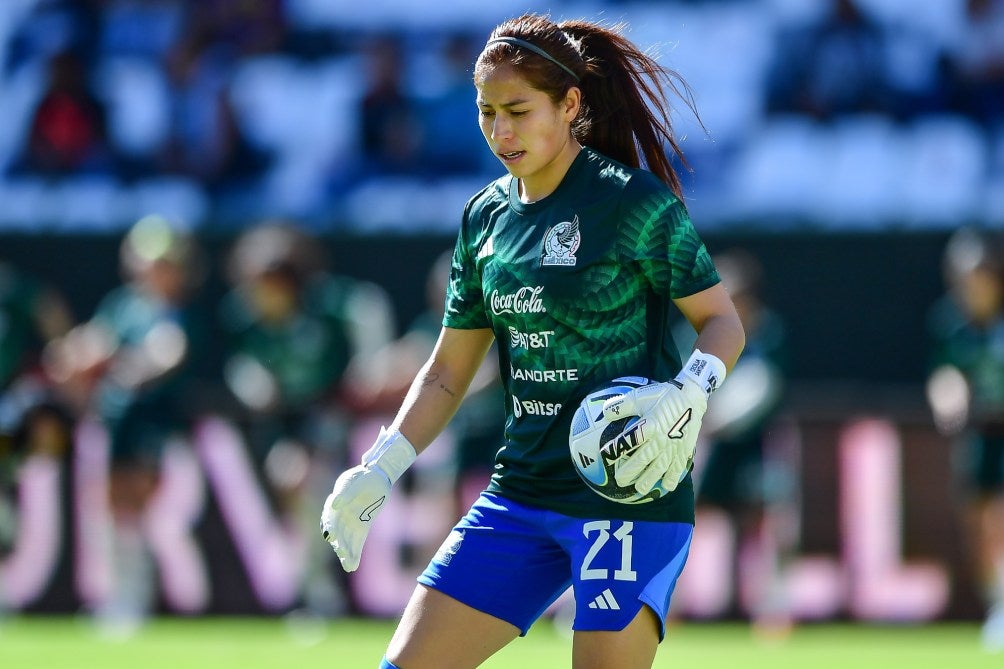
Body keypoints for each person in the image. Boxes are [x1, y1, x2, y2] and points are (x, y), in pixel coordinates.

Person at [320, 13, 745, 669]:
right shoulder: (484, 217)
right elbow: (446, 372)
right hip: (520, 494)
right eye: (487, 112)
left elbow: (723, 322)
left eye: (518, 110)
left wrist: (692, 389)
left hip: (627, 497)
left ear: (570, 103)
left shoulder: (633, 204)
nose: (501, 131)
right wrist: (380, 467)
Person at [44, 214, 208, 634]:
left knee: (141, 507)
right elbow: (90, 346)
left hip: (154, 424)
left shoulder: (176, 313)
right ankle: (122, 597)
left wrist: (128, 367)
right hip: (115, 422)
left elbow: (169, 354)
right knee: (112, 508)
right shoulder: (123, 305)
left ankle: (140, 597)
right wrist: (76, 357)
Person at [925, 227, 1004, 652]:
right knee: (978, 517)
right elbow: (946, 371)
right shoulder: (951, 321)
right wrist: (947, 394)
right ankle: (999, 605)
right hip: (984, 430)